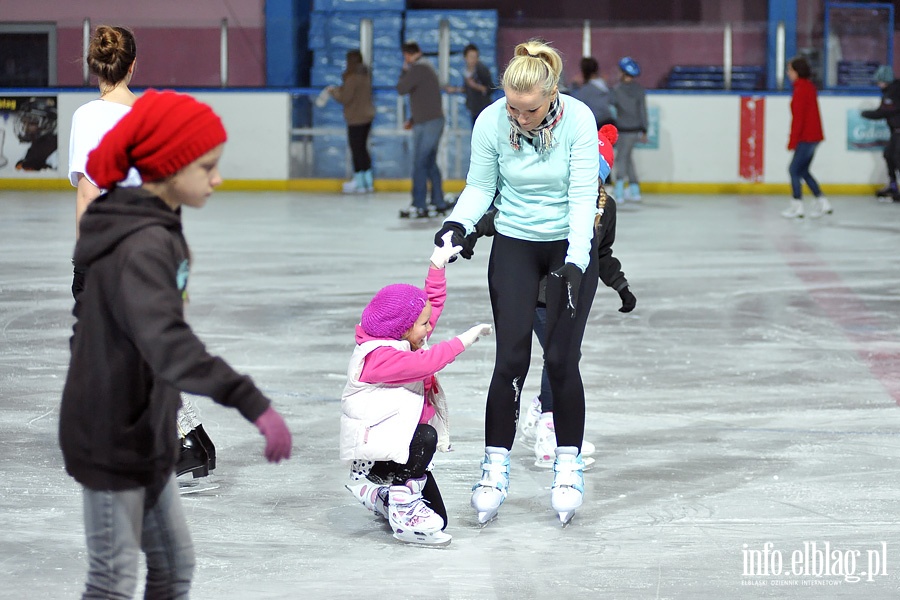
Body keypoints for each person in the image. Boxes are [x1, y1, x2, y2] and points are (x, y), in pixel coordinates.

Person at [59, 89, 293, 598]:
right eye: (206, 167)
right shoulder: (143, 243)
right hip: (111, 434)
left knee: (172, 567)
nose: (218, 178)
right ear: (169, 167)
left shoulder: (157, 224)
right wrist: (252, 403)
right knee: (113, 580)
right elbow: (168, 343)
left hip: (144, 428)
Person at [434, 39, 614, 526]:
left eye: (529, 109)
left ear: (551, 94)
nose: (519, 117)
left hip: (567, 246)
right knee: (510, 358)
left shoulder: (577, 119)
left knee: (559, 358)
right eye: (512, 107)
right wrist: (458, 224)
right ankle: (494, 467)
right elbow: (479, 186)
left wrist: (577, 262)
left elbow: (582, 199)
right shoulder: (492, 120)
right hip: (514, 244)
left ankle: (567, 464)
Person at [67, 25, 218, 483]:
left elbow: (89, 194)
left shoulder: (87, 117)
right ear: (133, 65)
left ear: (95, 68)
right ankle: (188, 439)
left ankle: (176, 442)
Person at [340, 232, 492, 546]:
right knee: (426, 437)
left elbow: (429, 308)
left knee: (440, 519)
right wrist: (463, 341)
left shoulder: (403, 337)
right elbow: (426, 363)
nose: (429, 329)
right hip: (377, 455)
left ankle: (385, 497)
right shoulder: (379, 358)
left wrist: (437, 267)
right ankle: (380, 489)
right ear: (403, 327)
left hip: (397, 448)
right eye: (422, 325)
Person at [522, 181, 636, 467]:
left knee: (564, 357)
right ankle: (549, 425)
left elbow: (601, 253)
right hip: (538, 295)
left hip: (573, 297)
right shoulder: (555, 197)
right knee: (560, 357)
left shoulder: (605, 206)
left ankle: (544, 408)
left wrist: (620, 285)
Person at [396, 41, 451, 219]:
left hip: (428, 123)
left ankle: (419, 204)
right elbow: (426, 98)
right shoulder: (425, 67)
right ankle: (438, 201)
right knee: (428, 162)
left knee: (420, 162)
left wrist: (404, 70)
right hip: (429, 121)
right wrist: (414, 119)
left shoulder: (418, 69)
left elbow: (401, 88)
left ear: (407, 55)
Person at [782, 56, 831, 219]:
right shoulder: (809, 87)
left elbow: (799, 119)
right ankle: (823, 202)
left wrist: (792, 140)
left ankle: (797, 205)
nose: (788, 73)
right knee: (803, 170)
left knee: (793, 170)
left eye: (790, 70)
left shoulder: (801, 90)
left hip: (806, 137)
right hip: (814, 136)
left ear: (797, 71)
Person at [327, 49, 375, 194]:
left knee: (356, 150)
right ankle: (368, 182)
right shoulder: (366, 75)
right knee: (363, 149)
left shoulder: (352, 78)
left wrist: (333, 92)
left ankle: (359, 183)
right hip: (367, 117)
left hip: (356, 119)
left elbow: (345, 98)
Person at [861, 65, 900, 201]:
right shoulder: (889, 92)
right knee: (889, 155)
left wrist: (866, 113)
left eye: (880, 81)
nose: (878, 84)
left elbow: (885, 111)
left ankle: (896, 187)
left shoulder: (894, 92)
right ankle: (893, 185)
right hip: (895, 132)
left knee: (897, 158)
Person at [612, 56, 647, 202]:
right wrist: (644, 129)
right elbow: (642, 111)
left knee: (621, 159)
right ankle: (634, 189)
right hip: (634, 131)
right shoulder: (639, 90)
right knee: (628, 159)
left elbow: (611, 109)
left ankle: (619, 191)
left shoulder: (616, 90)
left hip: (622, 130)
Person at [444, 43, 494, 128]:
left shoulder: (481, 70)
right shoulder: (467, 71)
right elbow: (467, 89)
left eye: (475, 57)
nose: (473, 60)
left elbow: (490, 88)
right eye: (471, 57)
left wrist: (475, 86)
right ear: (465, 57)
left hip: (482, 108)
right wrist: (455, 90)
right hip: (474, 109)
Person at [572, 57, 616, 130]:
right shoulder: (604, 84)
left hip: (597, 123)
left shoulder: (585, 90)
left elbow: (574, 101)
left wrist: (574, 85)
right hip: (609, 121)